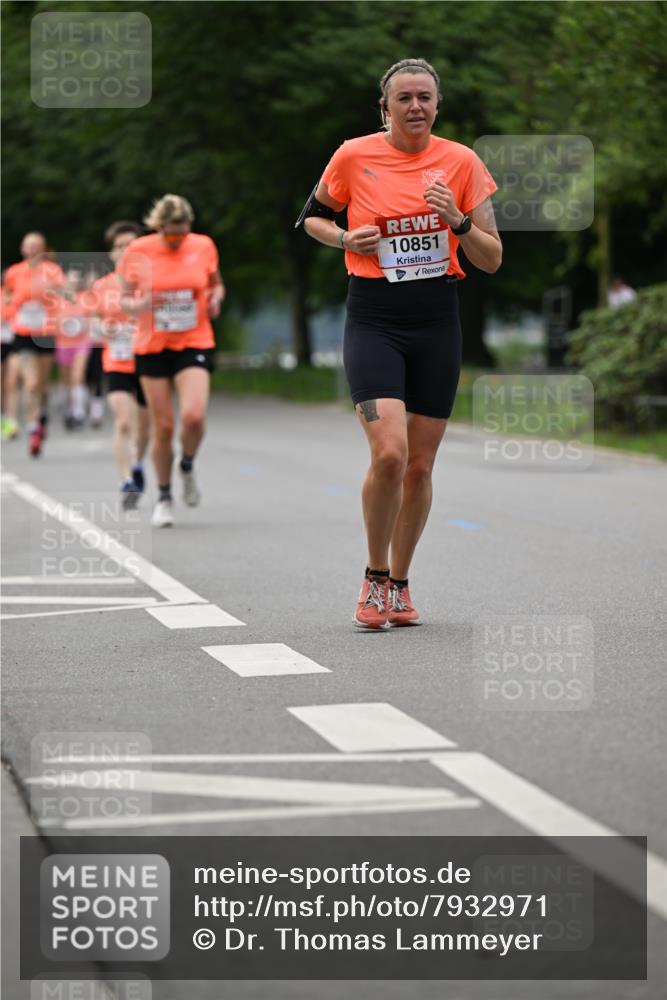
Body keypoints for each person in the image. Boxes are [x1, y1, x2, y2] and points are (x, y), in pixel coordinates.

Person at [303, 58, 501, 629]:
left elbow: (492, 258)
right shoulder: (353, 155)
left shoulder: (462, 162)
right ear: (385, 107)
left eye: (425, 97)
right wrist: (345, 237)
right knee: (389, 452)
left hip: (437, 320)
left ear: (437, 105)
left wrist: (458, 221)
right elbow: (312, 219)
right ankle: (373, 575)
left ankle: (399, 584)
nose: (416, 106)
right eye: (404, 98)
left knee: (419, 465)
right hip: (374, 318)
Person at [118, 194, 224, 527]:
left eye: (183, 232)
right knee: (163, 427)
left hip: (193, 340)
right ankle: (164, 497)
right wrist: (139, 305)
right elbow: (123, 299)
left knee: (193, 416)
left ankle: (187, 464)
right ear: (159, 227)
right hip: (152, 345)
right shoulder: (138, 251)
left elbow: (216, 285)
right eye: (171, 235)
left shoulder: (203, 245)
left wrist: (215, 299)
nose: (178, 240)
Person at [92, 220, 150, 509]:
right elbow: (93, 320)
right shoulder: (102, 286)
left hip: (148, 359)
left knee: (144, 428)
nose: (125, 250)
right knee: (124, 421)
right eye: (119, 246)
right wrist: (102, 328)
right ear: (112, 253)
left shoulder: (151, 282)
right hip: (116, 360)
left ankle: (137, 463)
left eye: (131, 245)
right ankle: (126, 480)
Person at [3, 232, 65, 456]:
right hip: (23, 333)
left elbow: (64, 294)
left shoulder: (52, 270)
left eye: (36, 246)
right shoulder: (14, 272)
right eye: (29, 246)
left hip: (45, 332)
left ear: (43, 249)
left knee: (41, 384)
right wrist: (13, 304)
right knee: (30, 383)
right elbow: (7, 296)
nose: (32, 250)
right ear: (22, 249)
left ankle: (41, 416)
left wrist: (51, 292)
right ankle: (33, 428)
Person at [53, 268, 92, 429]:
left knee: (78, 375)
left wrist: (83, 323)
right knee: (66, 379)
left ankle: (79, 413)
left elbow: (92, 317)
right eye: (71, 279)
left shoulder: (85, 298)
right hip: (63, 343)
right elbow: (51, 321)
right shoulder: (57, 300)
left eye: (76, 280)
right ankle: (68, 407)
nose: (74, 282)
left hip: (81, 342)